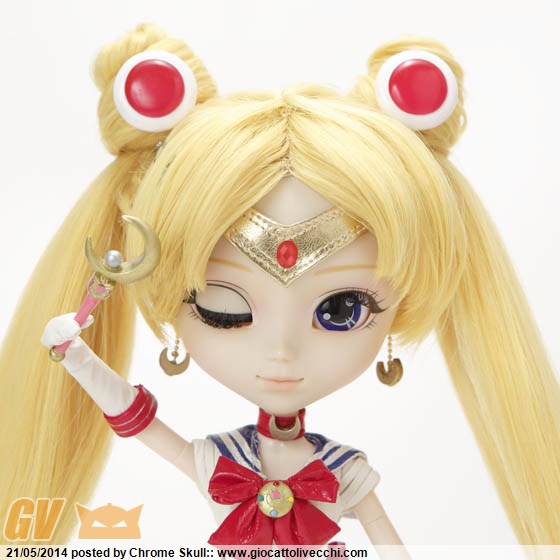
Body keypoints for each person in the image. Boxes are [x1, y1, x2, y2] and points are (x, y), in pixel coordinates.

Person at [1, 24, 558, 551]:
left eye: (342, 309)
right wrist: (77, 358)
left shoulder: (342, 471)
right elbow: (134, 419)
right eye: (222, 308)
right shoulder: (223, 459)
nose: (282, 353)